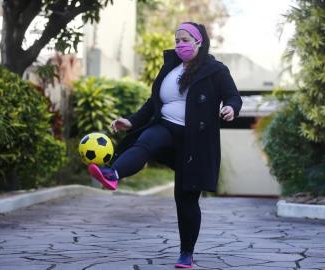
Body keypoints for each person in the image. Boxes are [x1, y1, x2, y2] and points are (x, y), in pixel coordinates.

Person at [87, 21, 242, 268]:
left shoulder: (215, 70)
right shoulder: (170, 68)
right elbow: (152, 103)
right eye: (177, 40)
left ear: (199, 42)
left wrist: (230, 108)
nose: (179, 44)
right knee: (146, 140)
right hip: (166, 126)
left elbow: (233, 96)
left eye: (185, 40)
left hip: (195, 141)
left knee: (186, 199)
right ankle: (113, 172)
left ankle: (186, 253)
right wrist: (131, 120)